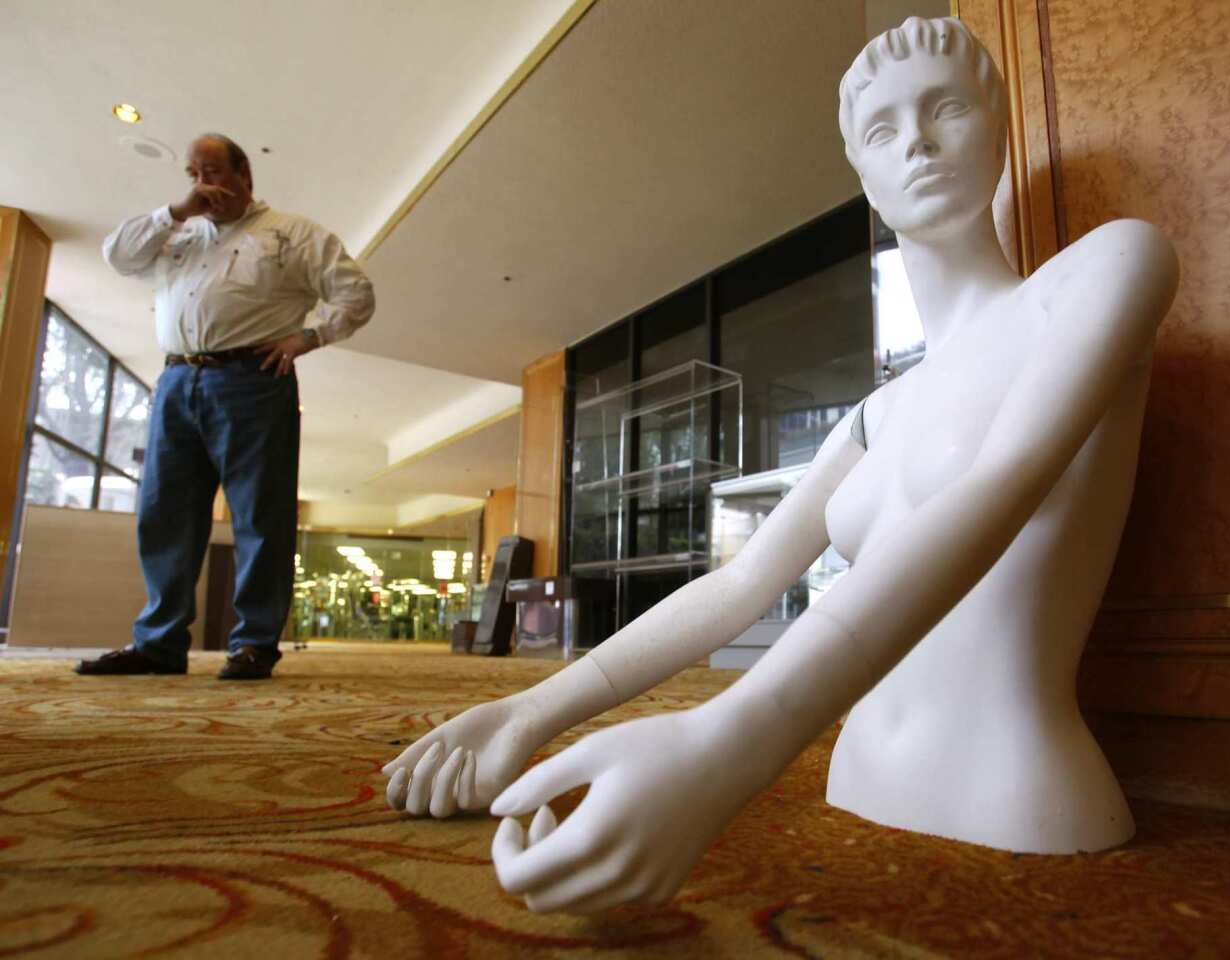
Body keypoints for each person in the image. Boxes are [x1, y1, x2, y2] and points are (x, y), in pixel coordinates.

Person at [384, 16, 1178, 913]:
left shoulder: (1102, 270)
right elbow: (741, 586)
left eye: (945, 108)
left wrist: (731, 742)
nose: (915, 140)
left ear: (999, 129)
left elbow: (996, 492)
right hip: (856, 761)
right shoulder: (876, 416)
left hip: (1016, 782)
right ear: (865, 181)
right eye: (881, 130)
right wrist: (535, 711)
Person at [77, 134, 375, 681]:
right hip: (174, 381)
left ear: (244, 174)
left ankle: (256, 643)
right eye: (192, 173)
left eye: (212, 170)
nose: (201, 183)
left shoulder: (292, 233)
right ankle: (159, 643)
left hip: (253, 380)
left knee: (261, 514)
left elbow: (356, 294)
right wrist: (176, 211)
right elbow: (117, 254)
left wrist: (306, 338)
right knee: (163, 513)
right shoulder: (180, 234)